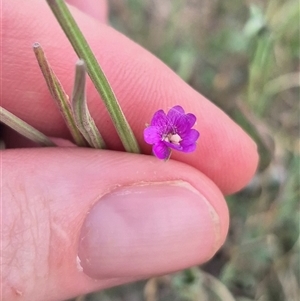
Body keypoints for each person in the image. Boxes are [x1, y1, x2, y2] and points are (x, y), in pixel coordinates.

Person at [1, 0, 259, 300]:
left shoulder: (169, 138)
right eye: (169, 136)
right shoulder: (159, 137)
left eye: (175, 137)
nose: (174, 138)